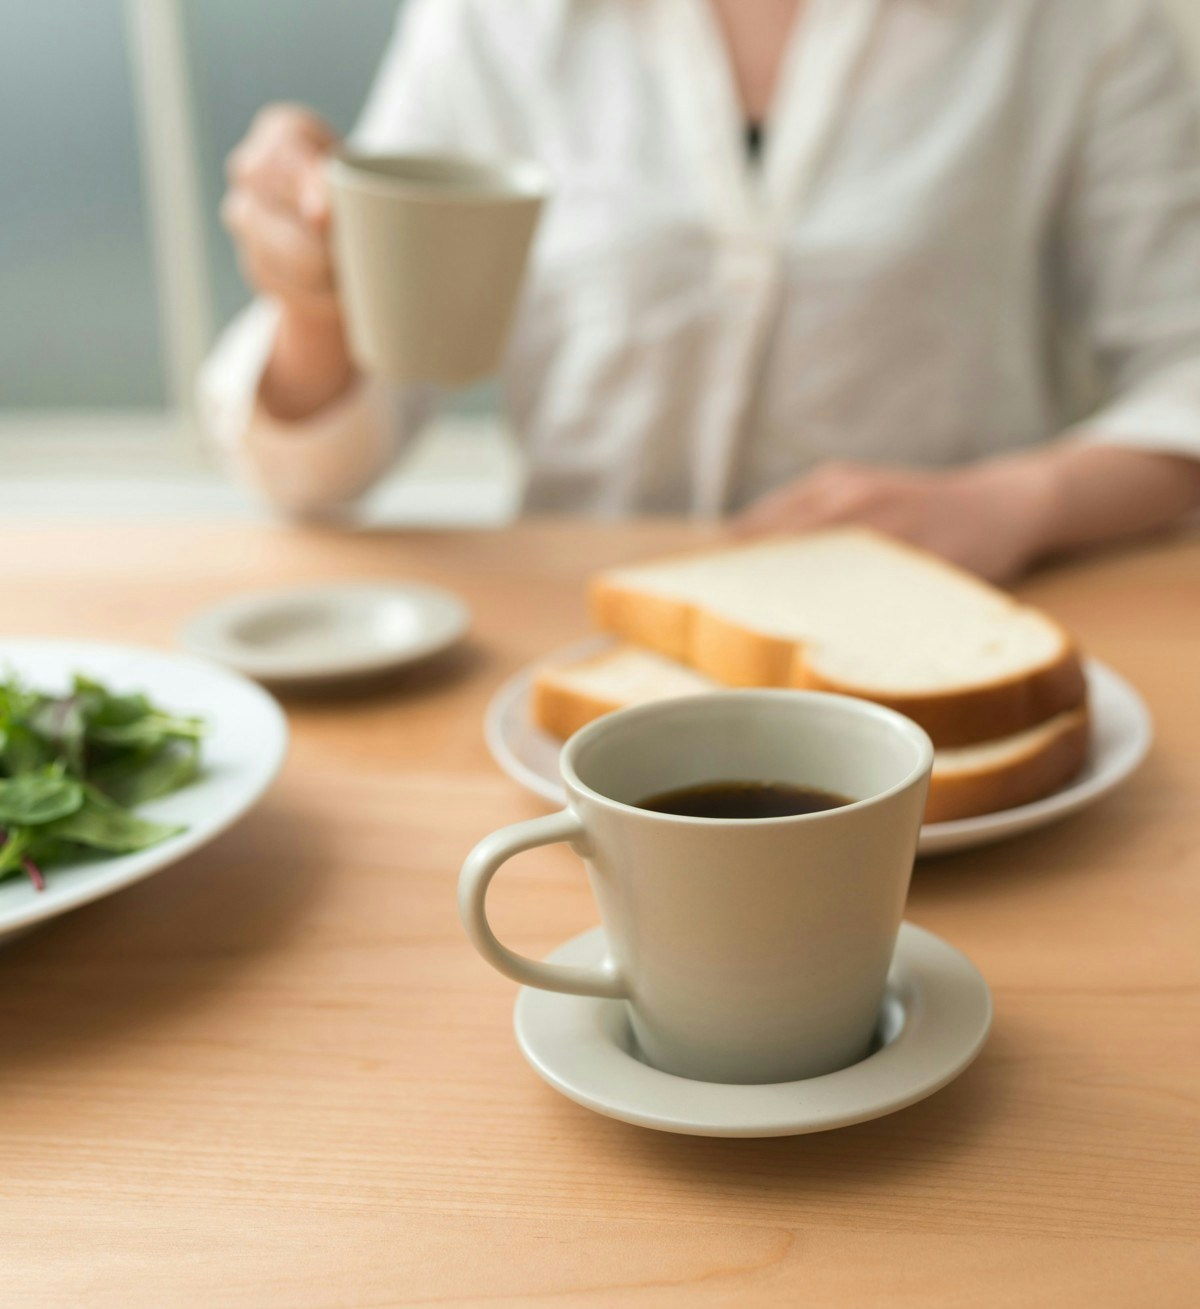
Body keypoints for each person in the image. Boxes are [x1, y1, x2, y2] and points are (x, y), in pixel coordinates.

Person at [200, 0, 1200, 581]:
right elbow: (316, 473)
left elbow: (1184, 369)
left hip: (956, 620)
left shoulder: (1086, 23)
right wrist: (318, 292)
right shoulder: (491, 21)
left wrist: (1019, 502)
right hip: (580, 629)